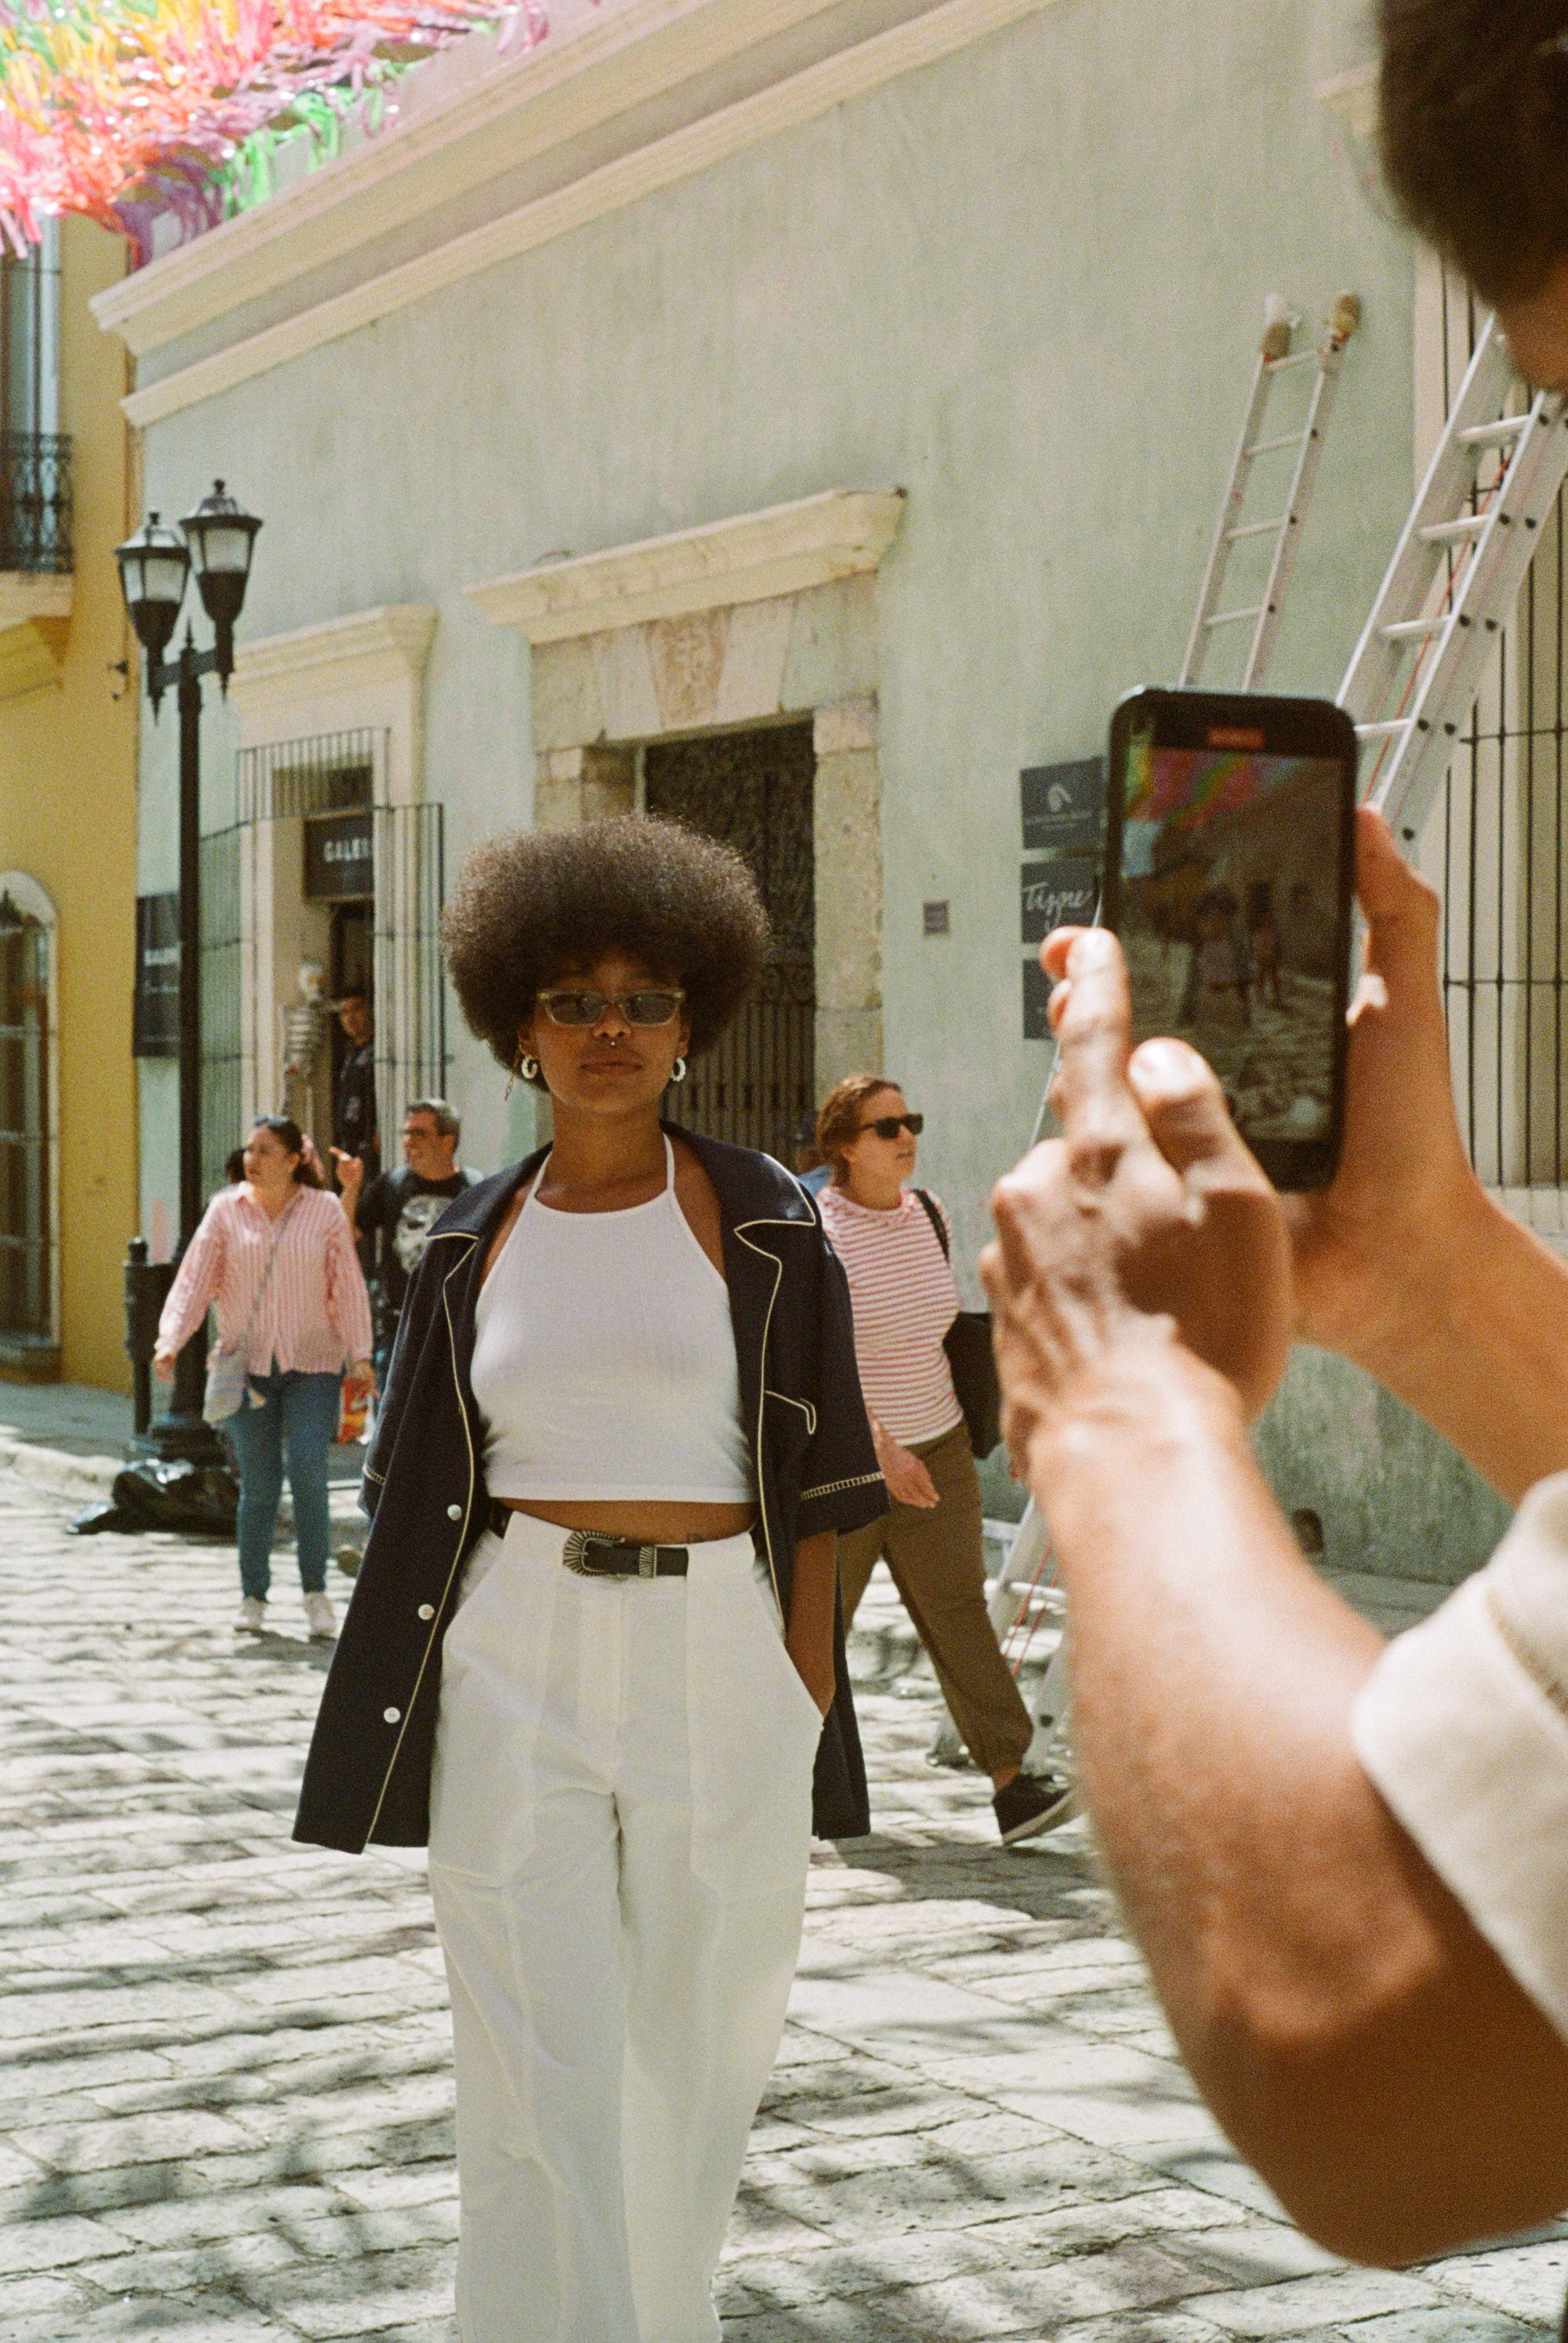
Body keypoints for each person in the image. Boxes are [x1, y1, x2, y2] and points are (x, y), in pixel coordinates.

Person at [293, 816, 883, 2343]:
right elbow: (413, 1481)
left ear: (693, 1026)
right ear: (517, 1031)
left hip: (721, 1656)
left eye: (644, 999)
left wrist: (797, 1685)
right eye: (571, 999)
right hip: (518, 1651)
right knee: (534, 2065)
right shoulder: (467, 1240)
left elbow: (826, 1491)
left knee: (695, 2061)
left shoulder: (769, 1219)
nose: (608, 1029)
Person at [816, 1073, 1074, 1845]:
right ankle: (778, 1786)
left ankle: (1013, 1783)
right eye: (885, 1128)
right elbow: (819, 1357)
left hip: (940, 1445)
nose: (905, 1138)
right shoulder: (815, 1228)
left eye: (909, 1122)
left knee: (959, 1614)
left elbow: (935, 1331)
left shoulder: (926, 1213)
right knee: (817, 1629)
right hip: (852, 1463)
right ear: (843, 1147)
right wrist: (879, 1448)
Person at [154, 1116, 375, 1642]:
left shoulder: (322, 1211)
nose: (252, 1158)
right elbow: (194, 1280)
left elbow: (346, 1285)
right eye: (249, 1148)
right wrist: (171, 1341)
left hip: (313, 1367)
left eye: (265, 1149)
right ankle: (253, 1595)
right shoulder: (225, 1211)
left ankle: (316, 1595)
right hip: (245, 1369)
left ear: (295, 1157)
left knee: (308, 1474)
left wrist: (360, 1354)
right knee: (258, 1488)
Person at [333, 1097, 478, 1387]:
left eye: (420, 1133)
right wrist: (351, 1189)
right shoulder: (392, 1185)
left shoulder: (475, 1190)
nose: (409, 1141)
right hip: (399, 1329)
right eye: (407, 1133)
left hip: (456, 1332)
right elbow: (345, 1236)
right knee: (392, 1427)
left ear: (448, 1141)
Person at [332, 989, 378, 1181]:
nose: (350, 1017)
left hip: (370, 1146)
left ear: (371, 1010)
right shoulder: (351, 1054)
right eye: (344, 1012)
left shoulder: (378, 1050)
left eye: (356, 1009)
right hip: (349, 1147)